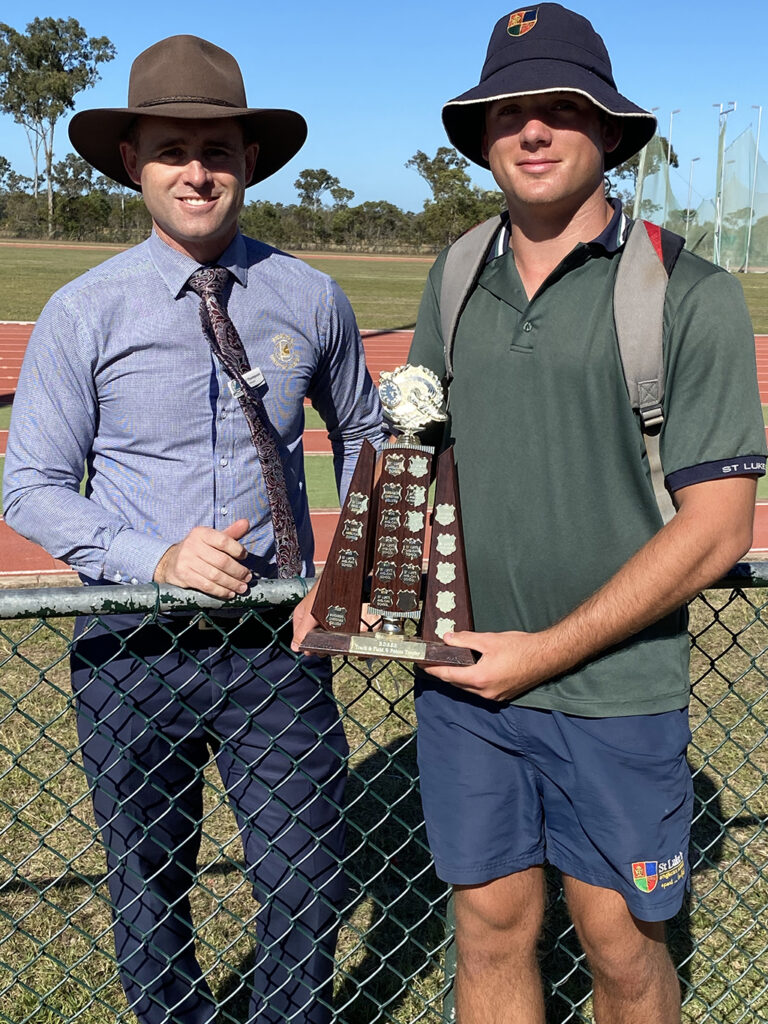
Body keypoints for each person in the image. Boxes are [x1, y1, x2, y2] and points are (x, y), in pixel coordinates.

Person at [3, 34, 384, 1024]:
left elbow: (370, 438)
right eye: (173, 149)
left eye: (217, 149)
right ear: (135, 164)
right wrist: (155, 558)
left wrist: (352, 581)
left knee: (307, 882)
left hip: (275, 648)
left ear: (249, 160)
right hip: (134, 645)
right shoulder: (83, 312)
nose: (198, 171)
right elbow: (32, 486)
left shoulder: (311, 297)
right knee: (148, 885)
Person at [404, 6, 767, 1023]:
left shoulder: (687, 293)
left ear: (609, 129)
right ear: (483, 137)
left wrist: (547, 651)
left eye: (561, 109)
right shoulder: (456, 272)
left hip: (615, 689)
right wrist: (357, 594)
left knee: (620, 948)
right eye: (508, 110)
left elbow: (719, 528)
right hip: (468, 680)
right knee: (489, 927)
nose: (531, 129)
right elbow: (415, 457)